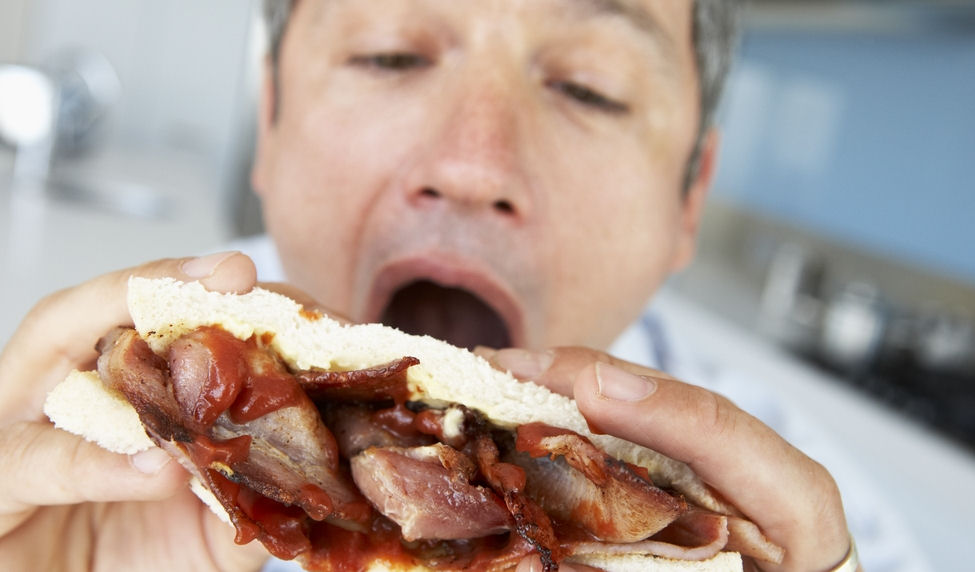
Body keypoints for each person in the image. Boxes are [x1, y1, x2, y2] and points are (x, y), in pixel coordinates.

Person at [0, 1, 898, 570]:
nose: (474, 162)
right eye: (391, 55)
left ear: (688, 200)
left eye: (589, 88)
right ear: (269, 123)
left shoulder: (812, 533)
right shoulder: (63, 443)